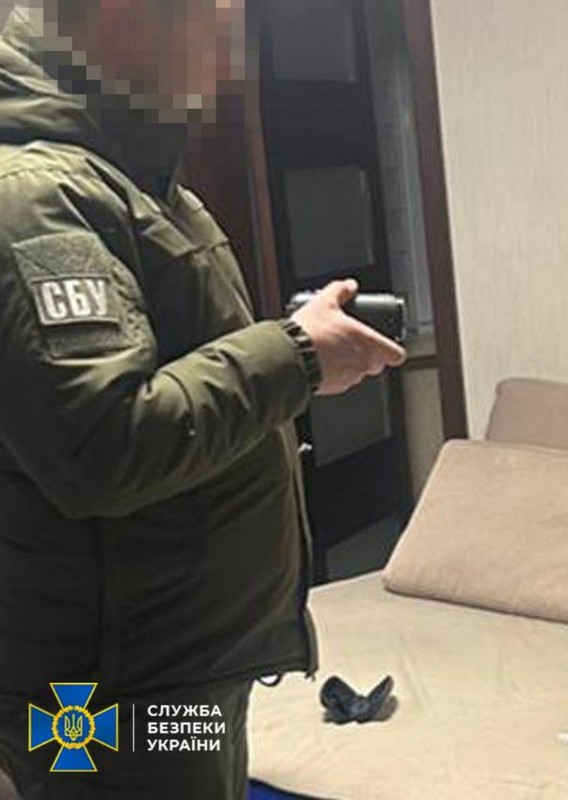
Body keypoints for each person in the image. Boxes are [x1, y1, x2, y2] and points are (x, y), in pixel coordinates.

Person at [0, 2, 405, 798]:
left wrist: (299, 354)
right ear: (118, 18)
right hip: (110, 690)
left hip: (184, 658)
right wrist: (296, 354)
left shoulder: (145, 188)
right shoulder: (36, 198)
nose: (225, 68)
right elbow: (104, 445)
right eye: (214, 34)